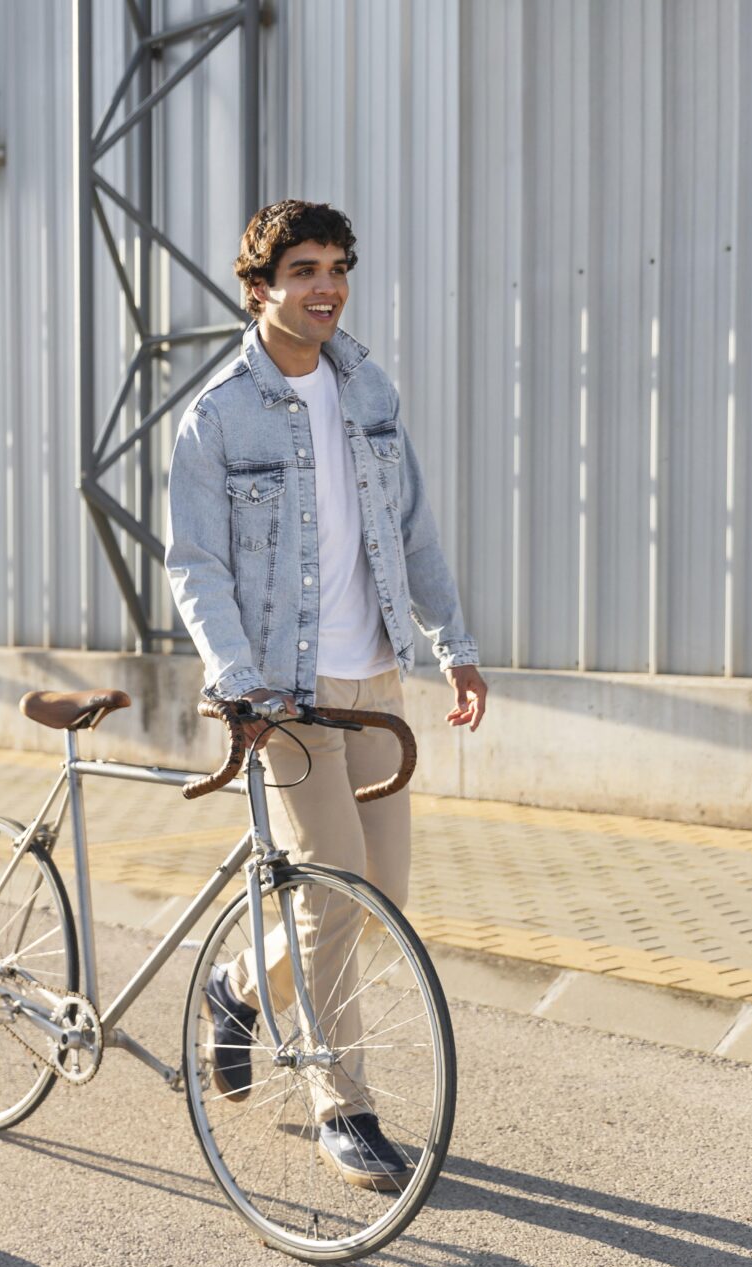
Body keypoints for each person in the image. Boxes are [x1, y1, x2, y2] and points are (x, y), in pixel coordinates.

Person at [164, 200, 488, 1190]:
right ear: (257, 287)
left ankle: (234, 988)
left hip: (374, 678)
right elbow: (194, 565)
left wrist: (453, 645)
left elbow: (414, 529)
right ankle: (339, 1104)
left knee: (379, 895)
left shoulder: (366, 387)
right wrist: (239, 683)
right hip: (282, 693)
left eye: (336, 267)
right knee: (329, 892)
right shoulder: (217, 413)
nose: (325, 287)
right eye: (302, 269)